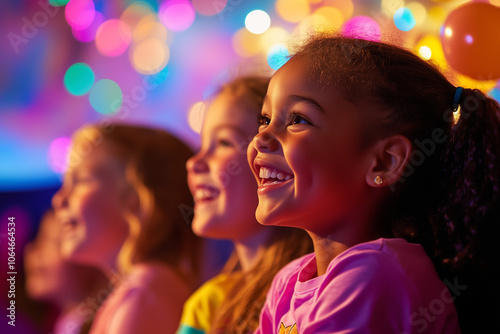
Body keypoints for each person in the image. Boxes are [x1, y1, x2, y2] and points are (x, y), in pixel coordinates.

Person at [249, 35, 500, 333]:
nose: (261, 138)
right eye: (265, 119)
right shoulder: (288, 283)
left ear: (385, 161)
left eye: (297, 119)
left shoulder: (375, 274)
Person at [178, 77, 313, 334]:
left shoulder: (317, 291)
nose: (194, 162)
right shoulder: (210, 306)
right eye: (202, 144)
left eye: (224, 143)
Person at [52, 124, 202, 334]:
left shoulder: (144, 294)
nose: (59, 200)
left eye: (81, 181)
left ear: (139, 201)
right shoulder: (137, 291)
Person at [24, 209, 109, 334]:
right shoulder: (66, 324)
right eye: (38, 239)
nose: (31, 249)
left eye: (50, 241)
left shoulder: (107, 324)